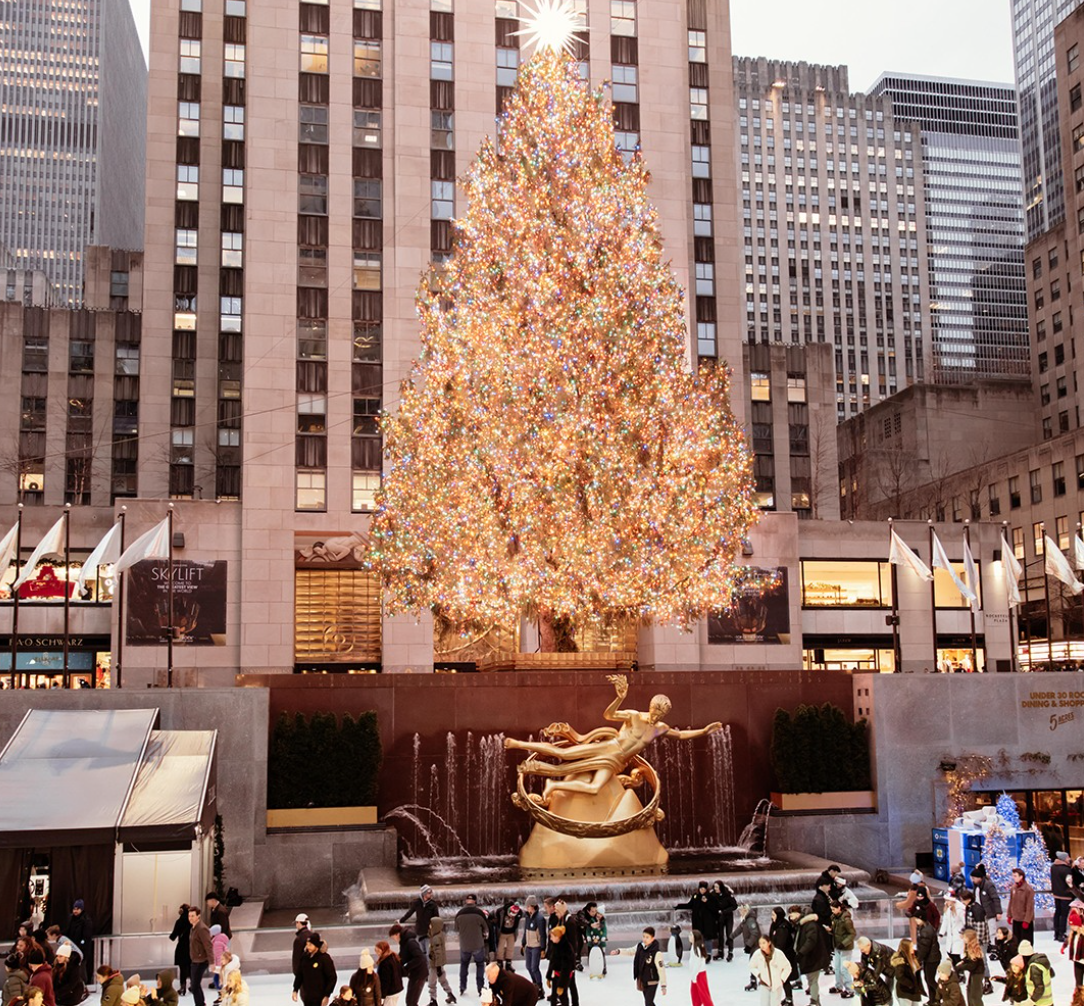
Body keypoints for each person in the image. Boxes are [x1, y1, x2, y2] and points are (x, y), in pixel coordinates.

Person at [609, 928, 666, 1006]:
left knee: (648, 1002)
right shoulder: (640, 946)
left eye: (647, 937)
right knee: (648, 1002)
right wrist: (618, 951)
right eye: (643, 936)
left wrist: (663, 985)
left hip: (652, 981)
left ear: (652, 938)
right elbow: (630, 951)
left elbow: (661, 969)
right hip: (642, 980)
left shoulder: (656, 953)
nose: (644, 939)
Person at [793, 907, 829, 1006]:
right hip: (810, 957)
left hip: (814, 957)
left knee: (813, 980)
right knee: (811, 979)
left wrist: (801, 953)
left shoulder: (810, 925)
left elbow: (810, 942)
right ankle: (815, 1000)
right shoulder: (804, 925)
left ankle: (814, 1001)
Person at [454, 896, 488, 999]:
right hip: (478, 944)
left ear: (466, 901)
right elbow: (485, 928)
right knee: (480, 965)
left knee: (464, 965)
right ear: (475, 902)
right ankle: (480, 987)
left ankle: (462, 986)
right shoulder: (479, 913)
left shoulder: (459, 914)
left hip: (465, 945)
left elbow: (456, 929)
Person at [675, 884, 719, 962]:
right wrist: (679, 906)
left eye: (703, 888)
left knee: (707, 938)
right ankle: (697, 953)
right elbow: (690, 905)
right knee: (697, 937)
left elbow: (715, 908)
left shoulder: (711, 896)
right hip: (697, 921)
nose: (702, 890)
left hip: (707, 922)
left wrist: (707, 902)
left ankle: (708, 954)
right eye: (700, 888)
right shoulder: (695, 896)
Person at [293, 932, 337, 1006]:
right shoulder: (305, 957)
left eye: (310, 945)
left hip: (320, 997)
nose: (308, 947)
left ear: (316, 945)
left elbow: (332, 977)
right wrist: (295, 989)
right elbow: (300, 974)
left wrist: (327, 995)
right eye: (307, 944)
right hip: (307, 996)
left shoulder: (324, 958)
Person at [748, 935, 790, 1006]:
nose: (762, 945)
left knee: (775, 1004)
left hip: (777, 984)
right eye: (760, 943)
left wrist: (782, 979)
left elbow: (787, 967)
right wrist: (758, 974)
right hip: (764, 983)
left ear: (769, 943)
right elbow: (751, 966)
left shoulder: (778, 953)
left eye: (764, 943)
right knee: (764, 1003)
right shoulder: (757, 954)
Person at [388, 926, 425, 1006]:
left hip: (419, 973)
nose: (395, 940)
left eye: (394, 938)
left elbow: (419, 957)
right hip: (414, 974)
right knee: (410, 1001)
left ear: (397, 934)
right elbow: (402, 958)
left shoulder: (410, 942)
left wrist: (406, 967)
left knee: (411, 1001)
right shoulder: (404, 943)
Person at [767, 909, 796, 1004]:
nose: (772, 916)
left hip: (784, 957)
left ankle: (789, 999)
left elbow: (781, 945)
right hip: (777, 955)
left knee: (785, 978)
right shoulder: (775, 925)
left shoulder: (783, 928)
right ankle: (787, 998)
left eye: (773, 914)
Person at [828, 900, 855, 1000]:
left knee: (844, 969)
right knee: (837, 968)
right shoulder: (834, 918)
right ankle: (839, 986)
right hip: (837, 946)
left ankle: (850, 989)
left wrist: (844, 943)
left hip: (845, 948)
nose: (832, 911)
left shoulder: (846, 920)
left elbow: (852, 934)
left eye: (833, 909)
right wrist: (830, 931)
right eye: (831, 909)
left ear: (839, 908)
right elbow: (836, 932)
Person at [425, 918, 456, 1006]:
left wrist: (438, 966)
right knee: (442, 980)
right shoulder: (439, 935)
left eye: (431, 924)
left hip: (435, 964)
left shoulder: (435, 938)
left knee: (431, 982)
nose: (429, 926)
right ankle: (450, 994)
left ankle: (433, 1000)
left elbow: (438, 953)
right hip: (437, 963)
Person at [188, 907, 215, 1006]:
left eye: (192, 916)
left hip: (201, 961)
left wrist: (212, 962)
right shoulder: (193, 928)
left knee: (194, 985)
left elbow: (208, 945)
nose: (190, 918)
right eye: (189, 916)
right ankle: (201, 1003)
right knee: (195, 984)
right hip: (195, 960)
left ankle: (200, 1004)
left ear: (198, 916)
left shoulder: (202, 928)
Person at [400, 889, 439, 955]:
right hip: (419, 931)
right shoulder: (417, 903)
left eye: (431, 893)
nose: (431, 894)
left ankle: (428, 965)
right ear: (424, 894)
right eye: (429, 893)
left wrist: (435, 928)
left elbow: (436, 917)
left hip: (429, 932)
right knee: (420, 951)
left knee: (428, 952)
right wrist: (401, 920)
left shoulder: (433, 904)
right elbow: (410, 912)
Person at [519, 898, 544, 997]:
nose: (526, 908)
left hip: (536, 946)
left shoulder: (539, 918)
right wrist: (523, 943)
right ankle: (535, 985)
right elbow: (526, 931)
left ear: (532, 906)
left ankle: (540, 988)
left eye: (528, 906)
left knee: (534, 968)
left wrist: (542, 948)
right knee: (528, 967)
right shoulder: (528, 917)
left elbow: (542, 934)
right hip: (529, 946)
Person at [855, 937, 893, 1004]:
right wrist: (860, 978)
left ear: (868, 945)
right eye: (860, 950)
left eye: (862, 949)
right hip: (887, 971)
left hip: (895, 971)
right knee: (887, 990)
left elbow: (877, 972)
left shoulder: (879, 951)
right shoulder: (865, 951)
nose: (862, 951)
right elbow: (863, 967)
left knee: (888, 993)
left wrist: (866, 984)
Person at [544, 926, 576, 1006]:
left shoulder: (567, 948)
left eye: (552, 937)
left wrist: (561, 985)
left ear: (557, 937)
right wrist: (548, 976)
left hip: (566, 976)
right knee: (554, 995)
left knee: (563, 995)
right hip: (557, 974)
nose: (550, 939)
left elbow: (566, 968)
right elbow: (552, 962)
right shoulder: (555, 945)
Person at [1015, 940, 1053, 1006]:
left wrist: (1031, 1001)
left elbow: (1040, 988)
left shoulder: (1034, 967)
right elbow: (1052, 974)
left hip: (1040, 1003)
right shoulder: (1042, 962)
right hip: (1048, 1002)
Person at [61, 904, 91, 985]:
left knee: (81, 967)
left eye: (77, 909)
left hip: (82, 949)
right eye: (74, 909)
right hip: (71, 948)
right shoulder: (71, 919)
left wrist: (81, 946)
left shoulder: (86, 921)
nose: (75, 911)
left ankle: (83, 984)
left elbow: (86, 937)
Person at [914, 913, 942, 998]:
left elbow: (924, 948)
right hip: (929, 958)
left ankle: (942, 994)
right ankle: (933, 999)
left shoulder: (926, 931)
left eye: (916, 918)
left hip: (932, 959)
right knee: (928, 979)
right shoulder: (923, 927)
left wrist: (918, 959)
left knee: (930, 980)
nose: (915, 920)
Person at [735, 905, 761, 993]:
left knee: (753, 963)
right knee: (756, 963)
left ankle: (755, 982)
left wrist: (748, 945)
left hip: (756, 945)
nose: (739, 912)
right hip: (754, 945)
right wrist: (731, 937)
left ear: (745, 910)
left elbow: (755, 933)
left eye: (741, 910)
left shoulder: (750, 920)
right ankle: (756, 981)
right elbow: (739, 929)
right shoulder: (745, 919)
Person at [954, 929, 984, 1006]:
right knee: (969, 991)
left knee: (975, 995)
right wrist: (963, 961)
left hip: (978, 973)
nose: (963, 939)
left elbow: (972, 965)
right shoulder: (968, 947)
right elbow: (969, 960)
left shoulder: (974, 949)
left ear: (969, 938)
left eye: (964, 937)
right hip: (974, 972)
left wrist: (961, 967)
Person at [890, 938, 923, 1005]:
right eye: (911, 947)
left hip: (914, 990)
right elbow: (899, 976)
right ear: (906, 949)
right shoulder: (900, 961)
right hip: (905, 992)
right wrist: (910, 984)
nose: (913, 949)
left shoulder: (913, 956)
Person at [1005, 868, 1034, 946]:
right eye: (1013, 876)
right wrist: (1009, 915)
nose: (1013, 878)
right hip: (1016, 919)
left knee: (1026, 942)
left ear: (1021, 877)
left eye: (1015, 876)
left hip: (1024, 920)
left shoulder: (1028, 889)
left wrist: (1027, 920)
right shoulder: (1013, 888)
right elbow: (1011, 902)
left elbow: (1030, 906)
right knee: (1016, 941)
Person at [1051, 850, 1074, 943]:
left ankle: (1056, 933)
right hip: (1066, 895)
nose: (1069, 859)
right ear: (1064, 858)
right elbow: (1070, 883)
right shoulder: (1066, 870)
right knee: (1063, 915)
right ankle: (1061, 933)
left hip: (1056, 894)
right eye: (1068, 857)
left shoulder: (1053, 867)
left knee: (1057, 913)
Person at [170, 907, 192, 996]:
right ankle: (193, 985)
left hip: (182, 947)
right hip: (191, 947)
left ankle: (183, 987)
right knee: (191, 966)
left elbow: (173, 937)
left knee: (183, 968)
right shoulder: (192, 922)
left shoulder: (179, 922)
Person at [712, 882, 737, 962]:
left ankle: (730, 952)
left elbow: (734, 906)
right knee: (720, 935)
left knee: (729, 934)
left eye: (717, 887)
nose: (715, 888)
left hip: (728, 917)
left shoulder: (728, 894)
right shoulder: (713, 895)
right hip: (719, 918)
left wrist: (725, 911)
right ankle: (720, 952)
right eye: (714, 887)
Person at [493, 904, 521, 973]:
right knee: (500, 948)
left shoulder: (519, 913)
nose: (511, 916)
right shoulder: (501, 911)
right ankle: (500, 963)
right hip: (502, 932)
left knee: (510, 948)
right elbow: (495, 916)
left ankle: (508, 964)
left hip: (511, 932)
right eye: (510, 914)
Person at [939, 893, 966, 964]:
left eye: (947, 900)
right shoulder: (948, 909)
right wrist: (941, 933)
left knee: (956, 955)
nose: (946, 902)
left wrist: (963, 932)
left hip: (958, 936)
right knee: (950, 954)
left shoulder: (960, 909)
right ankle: (958, 971)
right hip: (950, 937)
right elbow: (945, 921)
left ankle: (960, 972)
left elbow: (965, 922)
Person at [293, 916, 314, 996]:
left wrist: (298, 976)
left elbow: (296, 961)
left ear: (298, 923)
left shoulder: (299, 939)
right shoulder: (313, 936)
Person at [1066, 898, 1084, 986]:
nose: (1072, 927)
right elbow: (1069, 940)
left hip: (1082, 958)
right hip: (1077, 960)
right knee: (1078, 982)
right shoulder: (1073, 934)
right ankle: (1079, 997)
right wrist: (1064, 947)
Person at [209, 927, 229, 994]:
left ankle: (219, 989)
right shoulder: (224, 939)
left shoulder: (216, 943)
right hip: (224, 962)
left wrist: (213, 964)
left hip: (219, 964)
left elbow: (216, 955)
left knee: (217, 977)